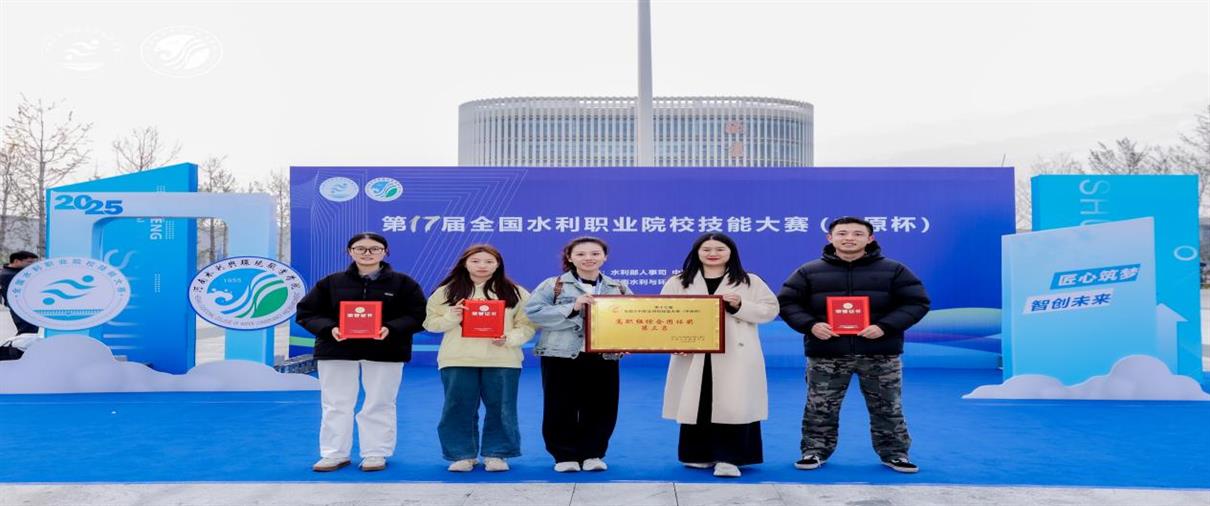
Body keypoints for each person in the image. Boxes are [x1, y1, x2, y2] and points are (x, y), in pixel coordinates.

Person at [777, 217, 930, 474]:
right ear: (830, 238)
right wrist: (811, 325)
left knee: (887, 407)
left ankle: (895, 453)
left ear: (870, 238)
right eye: (842, 233)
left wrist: (884, 327)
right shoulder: (808, 271)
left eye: (858, 234)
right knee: (820, 406)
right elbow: (787, 303)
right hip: (827, 353)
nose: (849, 238)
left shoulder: (894, 270)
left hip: (880, 353)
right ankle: (814, 451)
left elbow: (917, 303)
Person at [296, 232, 426, 473]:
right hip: (336, 350)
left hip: (386, 351)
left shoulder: (403, 283)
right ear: (350, 252)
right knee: (336, 404)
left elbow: (419, 315)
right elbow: (306, 313)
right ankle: (334, 454)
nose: (368, 253)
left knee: (380, 402)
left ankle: (376, 453)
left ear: (385, 252)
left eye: (375, 248)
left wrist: (391, 328)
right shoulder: (331, 282)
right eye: (360, 248)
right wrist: (330, 328)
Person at [660, 233, 779, 478]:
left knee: (733, 405)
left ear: (731, 252)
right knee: (698, 402)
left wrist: (740, 305)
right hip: (693, 353)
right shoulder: (679, 281)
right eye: (706, 249)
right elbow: (664, 313)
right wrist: (673, 342)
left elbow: (770, 310)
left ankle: (730, 458)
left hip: (735, 353)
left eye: (720, 249)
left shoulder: (749, 281)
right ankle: (698, 455)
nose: (713, 253)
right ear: (697, 252)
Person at [423, 244, 536, 473]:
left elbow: (527, 325)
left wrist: (509, 338)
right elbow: (430, 324)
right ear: (465, 263)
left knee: (502, 408)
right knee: (457, 407)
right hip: (458, 358)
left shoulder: (515, 292)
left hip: (502, 359)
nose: (482, 266)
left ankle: (497, 454)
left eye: (488, 261)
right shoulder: (447, 292)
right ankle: (462, 455)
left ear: (498, 264)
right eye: (475, 261)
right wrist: (451, 316)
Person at [524, 236, 631, 473]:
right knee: (560, 406)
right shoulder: (554, 285)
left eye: (595, 253)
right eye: (581, 254)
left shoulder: (618, 287)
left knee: (602, 407)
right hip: (560, 355)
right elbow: (533, 312)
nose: (588, 258)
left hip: (604, 356)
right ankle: (564, 455)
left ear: (605, 257)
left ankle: (593, 453)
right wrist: (572, 307)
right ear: (570, 257)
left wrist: (627, 342)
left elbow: (631, 318)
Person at [0, 251, 40, 336]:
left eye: (34, 262)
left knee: (29, 332)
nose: (32, 265)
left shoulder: (21, 272)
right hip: (20, 308)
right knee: (27, 332)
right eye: (29, 262)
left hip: (28, 307)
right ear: (16, 261)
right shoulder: (7, 275)